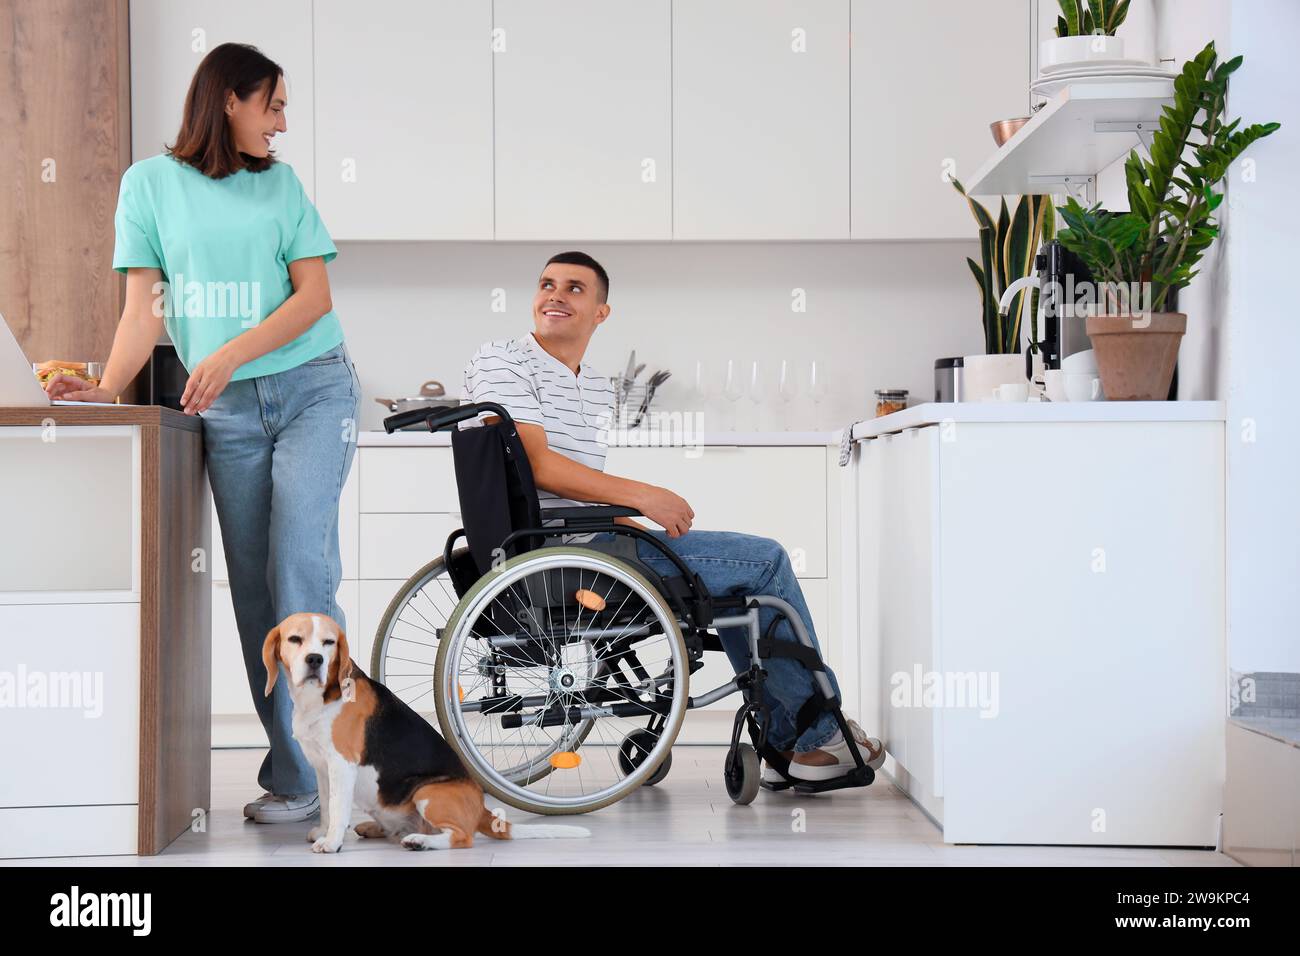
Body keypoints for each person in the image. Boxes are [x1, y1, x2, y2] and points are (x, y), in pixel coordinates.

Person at [45, 43, 357, 822]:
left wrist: (224, 351)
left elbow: (312, 298)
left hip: (314, 390)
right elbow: (143, 310)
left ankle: (343, 766)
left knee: (300, 572)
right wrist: (106, 389)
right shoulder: (148, 186)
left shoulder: (280, 184)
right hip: (223, 409)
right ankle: (293, 776)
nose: (283, 123)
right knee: (256, 594)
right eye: (273, 105)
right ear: (229, 101)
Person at [461, 251, 885, 781]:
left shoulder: (593, 384)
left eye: (574, 288)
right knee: (765, 563)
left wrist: (622, 522)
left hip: (586, 541)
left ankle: (787, 744)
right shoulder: (503, 359)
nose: (555, 295)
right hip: (556, 552)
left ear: (601, 312)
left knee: (732, 584)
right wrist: (643, 496)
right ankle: (814, 739)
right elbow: (540, 468)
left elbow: (572, 491)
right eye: (547, 284)